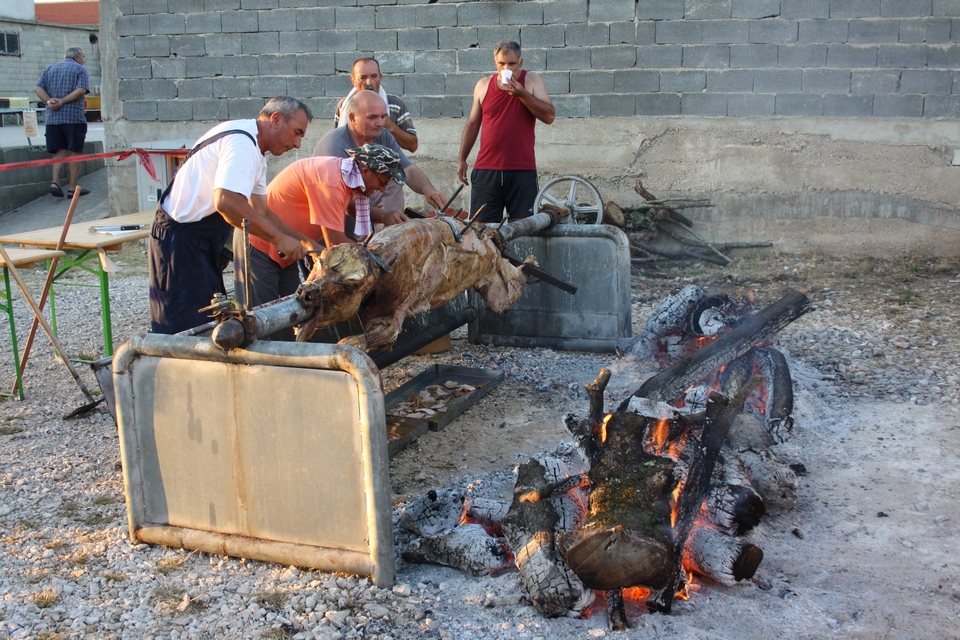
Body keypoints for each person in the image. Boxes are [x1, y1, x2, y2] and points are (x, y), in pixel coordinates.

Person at [149, 96, 323, 335]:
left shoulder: (255, 151)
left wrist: (311, 246)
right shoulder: (242, 144)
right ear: (275, 119)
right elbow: (227, 202)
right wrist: (280, 240)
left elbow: (263, 211)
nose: (297, 144)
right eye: (296, 133)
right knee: (182, 330)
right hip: (180, 243)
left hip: (201, 244)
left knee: (208, 322)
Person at [238, 144, 405, 312]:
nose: (382, 189)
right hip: (260, 243)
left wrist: (384, 216)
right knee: (262, 316)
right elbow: (335, 243)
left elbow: (347, 205)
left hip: (288, 248)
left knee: (292, 311)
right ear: (366, 171)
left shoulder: (345, 173)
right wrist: (372, 259)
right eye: (382, 182)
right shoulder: (331, 181)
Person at [314, 91, 446, 233]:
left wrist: (429, 190)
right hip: (328, 218)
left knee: (392, 178)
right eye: (372, 117)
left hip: (354, 206)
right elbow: (344, 205)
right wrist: (384, 216)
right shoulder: (335, 147)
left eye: (383, 117)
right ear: (352, 118)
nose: (380, 123)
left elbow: (407, 169)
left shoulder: (382, 135)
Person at [457, 40, 555, 223]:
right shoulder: (483, 85)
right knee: (481, 232)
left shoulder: (532, 81)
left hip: (521, 170)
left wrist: (523, 94)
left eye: (511, 63)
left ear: (520, 62)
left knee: (522, 232)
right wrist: (462, 159)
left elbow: (549, 116)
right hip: (487, 170)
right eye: (501, 63)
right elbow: (472, 124)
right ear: (495, 63)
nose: (506, 68)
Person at [335, 57, 418, 215]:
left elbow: (412, 145)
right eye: (363, 77)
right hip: (355, 181)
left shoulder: (394, 104)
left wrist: (389, 126)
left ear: (380, 77)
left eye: (374, 76)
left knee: (391, 229)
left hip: (386, 180)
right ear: (353, 80)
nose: (369, 82)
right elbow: (341, 141)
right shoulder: (343, 107)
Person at [35, 47, 90, 199]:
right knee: (75, 151)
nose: (84, 60)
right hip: (73, 118)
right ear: (77, 56)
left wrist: (49, 101)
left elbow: (37, 87)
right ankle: (72, 189)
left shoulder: (50, 69)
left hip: (53, 120)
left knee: (58, 151)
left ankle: (55, 182)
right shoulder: (80, 70)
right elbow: (81, 90)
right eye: (83, 56)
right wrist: (62, 101)